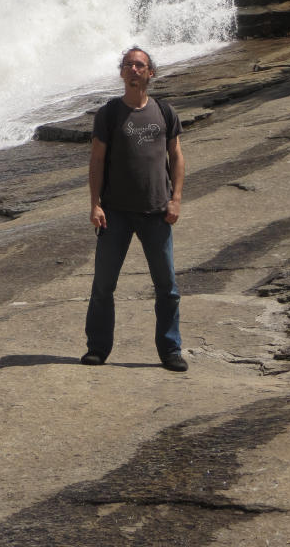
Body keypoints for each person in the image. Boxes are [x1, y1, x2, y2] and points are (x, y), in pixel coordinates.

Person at [82, 46, 187, 372]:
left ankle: (171, 351)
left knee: (167, 287)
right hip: (115, 213)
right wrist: (95, 204)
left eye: (139, 65)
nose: (133, 69)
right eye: (128, 65)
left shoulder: (164, 111)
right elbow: (97, 160)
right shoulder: (109, 113)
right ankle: (97, 348)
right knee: (103, 286)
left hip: (156, 212)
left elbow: (177, 156)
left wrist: (176, 199)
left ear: (150, 73)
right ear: (122, 73)